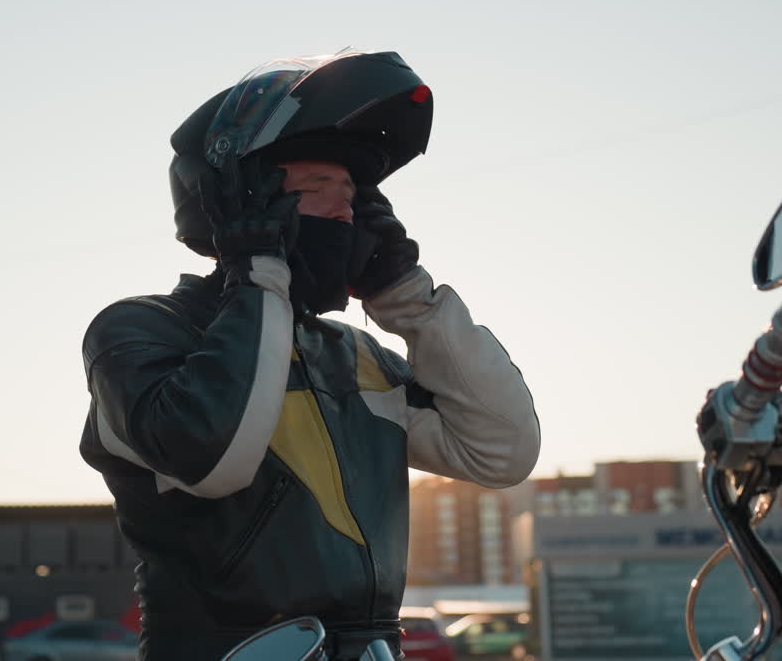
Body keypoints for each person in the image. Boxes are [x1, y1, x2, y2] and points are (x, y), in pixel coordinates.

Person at [80, 49, 540, 660]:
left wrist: (407, 297)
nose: (345, 210)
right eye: (318, 187)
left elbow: (502, 450)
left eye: (354, 195)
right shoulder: (140, 329)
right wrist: (259, 268)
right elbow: (214, 458)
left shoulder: (354, 355)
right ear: (240, 204)